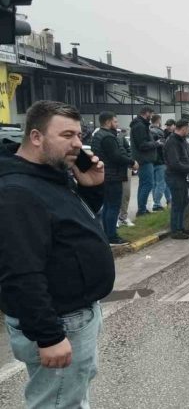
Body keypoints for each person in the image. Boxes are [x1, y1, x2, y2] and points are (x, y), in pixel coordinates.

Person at [0, 100, 115, 408]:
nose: (78, 144)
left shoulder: (48, 175)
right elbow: (20, 272)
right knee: (57, 403)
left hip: (75, 313)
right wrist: (49, 336)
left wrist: (91, 187)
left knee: (71, 398)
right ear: (36, 137)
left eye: (79, 135)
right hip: (61, 320)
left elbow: (74, 225)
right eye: (67, 135)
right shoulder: (17, 192)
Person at [91, 111, 138, 244]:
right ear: (108, 122)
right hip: (112, 176)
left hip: (105, 175)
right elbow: (116, 156)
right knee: (113, 206)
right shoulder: (108, 137)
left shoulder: (98, 135)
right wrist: (132, 162)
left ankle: (108, 234)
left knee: (107, 206)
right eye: (115, 121)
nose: (117, 124)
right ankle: (111, 236)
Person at [164, 119, 189, 239]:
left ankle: (181, 227)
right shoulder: (173, 141)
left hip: (181, 176)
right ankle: (175, 230)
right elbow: (174, 163)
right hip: (174, 176)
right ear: (183, 128)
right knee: (177, 203)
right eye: (188, 129)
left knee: (183, 201)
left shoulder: (181, 140)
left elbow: (185, 156)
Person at [130, 106, 157, 217]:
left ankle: (142, 209)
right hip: (144, 159)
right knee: (148, 184)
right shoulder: (140, 126)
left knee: (143, 185)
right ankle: (141, 210)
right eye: (151, 113)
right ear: (146, 113)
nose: (151, 116)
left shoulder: (140, 124)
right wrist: (156, 143)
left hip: (143, 159)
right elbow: (142, 145)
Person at [150, 114, 171, 211]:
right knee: (161, 183)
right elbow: (163, 147)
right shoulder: (159, 132)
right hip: (160, 161)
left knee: (155, 184)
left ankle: (163, 201)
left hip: (152, 161)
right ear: (159, 121)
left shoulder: (148, 130)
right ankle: (157, 204)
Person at [118, 127, 135, 227]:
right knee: (113, 197)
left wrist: (129, 162)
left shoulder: (121, 138)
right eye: (115, 121)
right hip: (111, 171)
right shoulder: (103, 137)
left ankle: (123, 217)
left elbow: (129, 150)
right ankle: (115, 219)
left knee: (126, 194)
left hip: (125, 168)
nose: (116, 124)